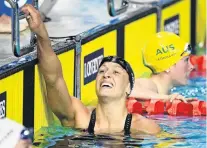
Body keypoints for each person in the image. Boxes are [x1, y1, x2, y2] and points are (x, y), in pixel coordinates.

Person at [21, 4, 161, 135]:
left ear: (128, 88)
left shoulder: (144, 128)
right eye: (101, 71)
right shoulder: (79, 117)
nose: (106, 75)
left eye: (116, 72)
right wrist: (41, 33)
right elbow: (53, 79)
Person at [130, 32, 195, 103]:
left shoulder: (164, 92)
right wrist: (166, 98)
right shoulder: (150, 84)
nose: (191, 66)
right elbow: (126, 88)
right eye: (186, 60)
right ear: (168, 66)